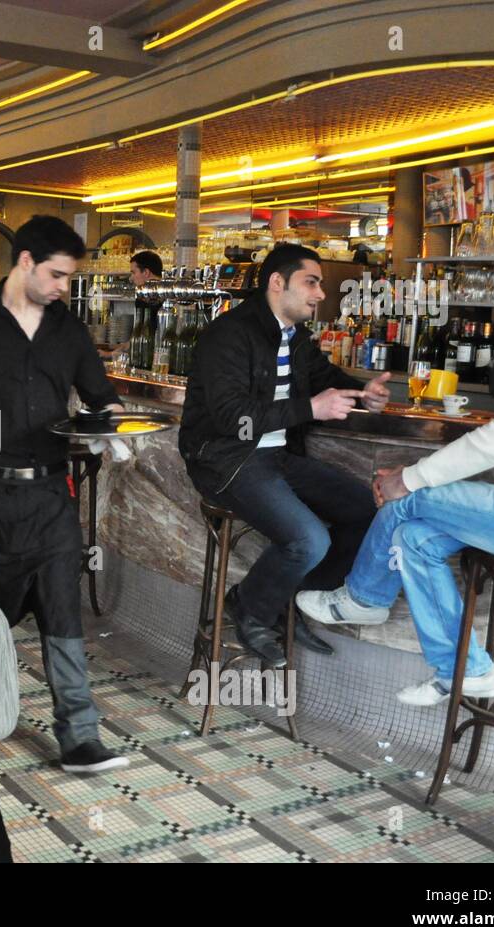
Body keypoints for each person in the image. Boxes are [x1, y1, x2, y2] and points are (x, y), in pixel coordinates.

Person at [297, 246, 494, 705]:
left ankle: (362, 598)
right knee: (414, 537)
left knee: (409, 500)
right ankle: (466, 670)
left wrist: (408, 479)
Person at [0, 214, 129, 774]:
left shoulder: (67, 329)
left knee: (64, 614)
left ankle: (79, 737)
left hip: (50, 497)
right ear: (25, 263)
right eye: (58, 275)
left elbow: (99, 396)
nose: (64, 287)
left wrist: (117, 429)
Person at [178, 243, 390, 666]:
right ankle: (250, 608)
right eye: (311, 282)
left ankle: (282, 606)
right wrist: (310, 408)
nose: (320, 294)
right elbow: (229, 418)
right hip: (225, 458)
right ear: (278, 282)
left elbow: (323, 377)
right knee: (309, 539)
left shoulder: (295, 338)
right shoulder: (229, 334)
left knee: (369, 512)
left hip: (277, 457)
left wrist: (364, 393)